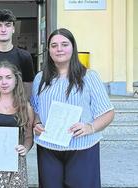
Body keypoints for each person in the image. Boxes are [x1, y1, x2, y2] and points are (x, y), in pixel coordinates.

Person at [31, 28, 115, 188]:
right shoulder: (40, 78)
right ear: (48, 50)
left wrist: (90, 127)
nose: (59, 49)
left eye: (64, 44)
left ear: (73, 48)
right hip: (49, 148)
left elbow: (108, 113)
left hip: (82, 147)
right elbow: (36, 110)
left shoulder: (89, 76)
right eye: (54, 45)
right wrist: (37, 124)